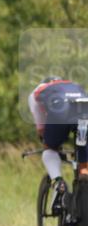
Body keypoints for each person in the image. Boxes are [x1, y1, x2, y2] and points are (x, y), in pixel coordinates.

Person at [28, 76, 88, 213]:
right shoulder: (74, 85)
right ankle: (84, 172)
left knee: (49, 150)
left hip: (61, 112)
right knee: (83, 158)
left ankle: (58, 182)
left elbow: (41, 128)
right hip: (84, 112)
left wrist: (48, 143)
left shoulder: (37, 92)